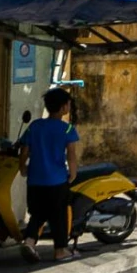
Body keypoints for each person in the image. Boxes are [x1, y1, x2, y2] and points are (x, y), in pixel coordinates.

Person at [21, 83, 81, 262]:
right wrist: (73, 173)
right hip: (56, 180)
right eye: (68, 104)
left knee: (37, 214)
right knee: (59, 216)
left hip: (35, 180)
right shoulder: (67, 129)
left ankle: (29, 241)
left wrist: (22, 167)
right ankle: (61, 250)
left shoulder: (35, 126)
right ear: (63, 107)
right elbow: (71, 155)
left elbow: (24, 151)